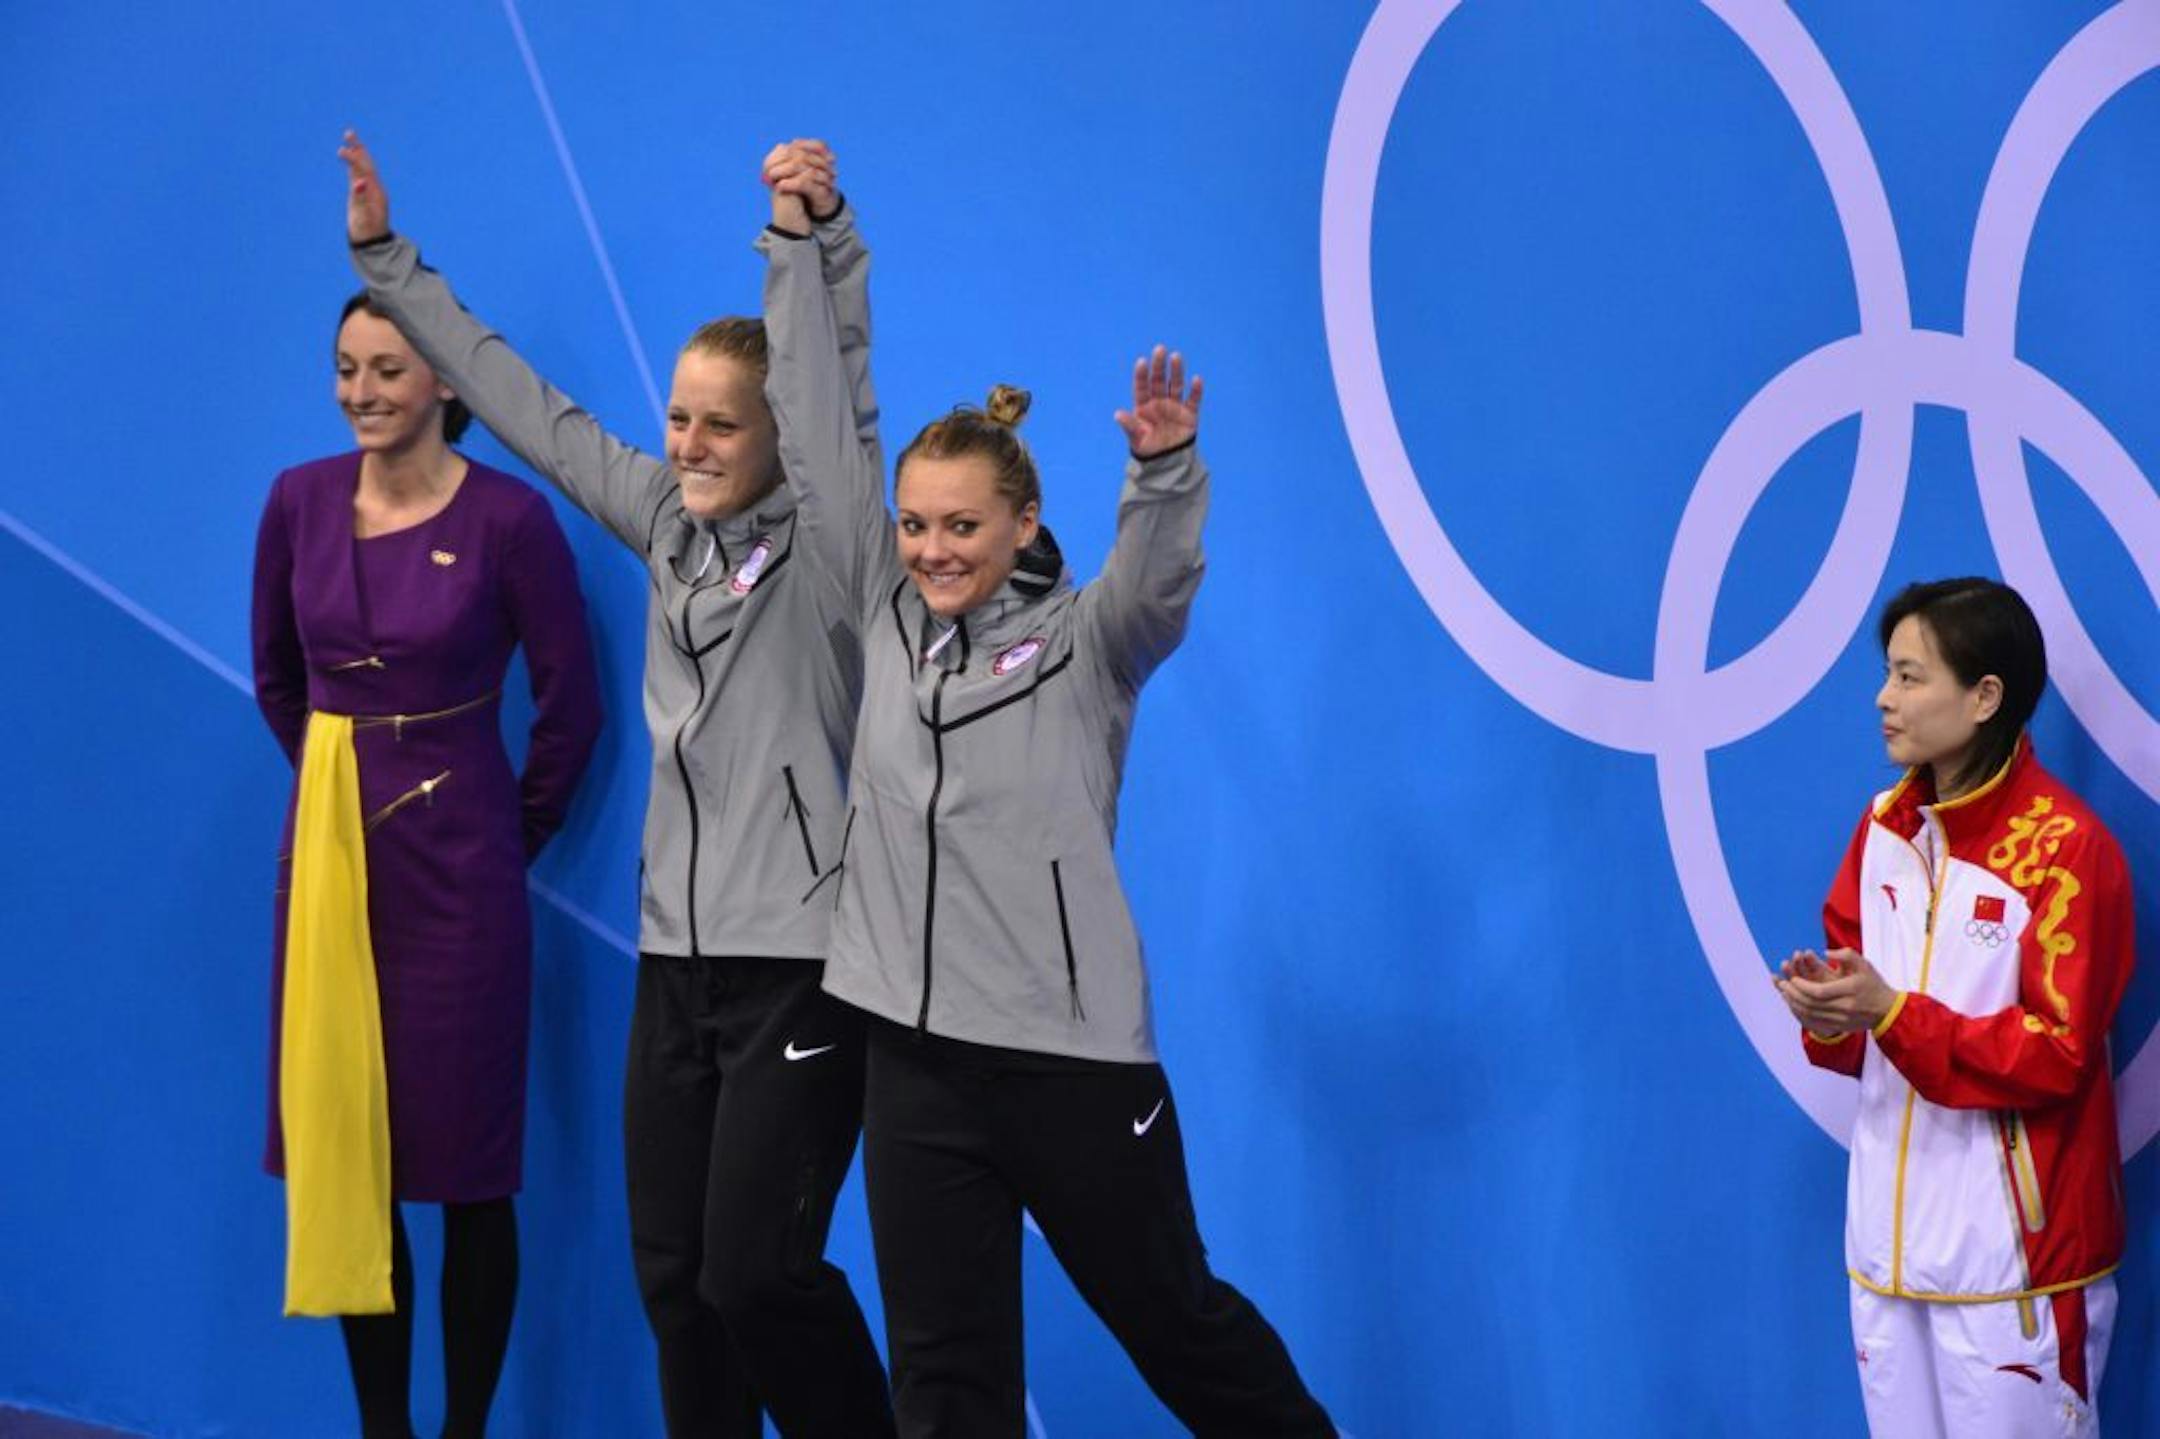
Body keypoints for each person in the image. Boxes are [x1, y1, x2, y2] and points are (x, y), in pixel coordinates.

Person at [760, 168, 1336, 1436]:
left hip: (1066, 1059)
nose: (932, 549)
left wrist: (1166, 471)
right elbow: (815, 434)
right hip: (913, 1058)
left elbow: (1157, 586)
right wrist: (804, 249)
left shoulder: (1087, 642)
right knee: (944, 1379)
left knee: (1180, 1326)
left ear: (1025, 524)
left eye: (962, 526)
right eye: (915, 525)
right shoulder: (883, 610)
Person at [338, 132, 895, 1437]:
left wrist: (809, 245)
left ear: (780, 436)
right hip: (675, 965)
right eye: (680, 417)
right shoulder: (661, 520)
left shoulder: (834, 554)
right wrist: (388, 264)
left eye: (722, 423)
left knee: (759, 1271)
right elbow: (519, 401)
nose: (690, 442)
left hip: (801, 967)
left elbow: (839, 413)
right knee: (677, 1284)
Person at [252, 290, 603, 1438]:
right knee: (351, 1159)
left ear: (447, 379)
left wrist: (506, 834)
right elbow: (278, 679)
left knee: (469, 1170)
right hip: (332, 869)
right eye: (346, 367)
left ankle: (463, 1431)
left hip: (463, 888)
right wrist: (339, 802)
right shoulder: (296, 501)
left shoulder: (512, 520)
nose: (360, 392)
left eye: (388, 370)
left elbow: (573, 706)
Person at [1774, 578, 2134, 1438]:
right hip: (1887, 1262)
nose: (1883, 697)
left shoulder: (2068, 850)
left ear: (1984, 696)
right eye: (1887, 673)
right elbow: (1863, 1031)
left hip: (2017, 1274)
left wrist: (1893, 1013)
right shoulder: (1882, 829)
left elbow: (2056, 1053)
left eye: (1909, 676)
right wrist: (1830, 1012)